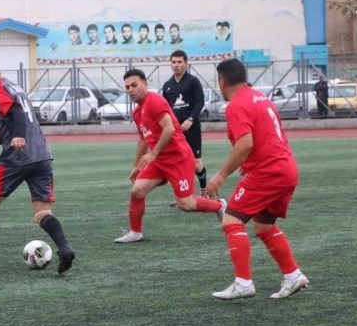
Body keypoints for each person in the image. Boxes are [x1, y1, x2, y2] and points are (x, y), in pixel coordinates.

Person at [0, 55, 76, 274]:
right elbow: (24, 117)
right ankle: (65, 248)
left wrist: (18, 136)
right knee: (42, 212)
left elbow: (17, 113)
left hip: (17, 158)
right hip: (42, 155)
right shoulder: (14, 86)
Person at [205, 59, 308, 300]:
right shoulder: (262, 98)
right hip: (286, 168)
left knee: (231, 219)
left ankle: (243, 283)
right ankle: (293, 276)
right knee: (264, 226)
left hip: (268, 172)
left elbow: (245, 143)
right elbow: (268, 136)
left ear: (222, 81)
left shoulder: (236, 105)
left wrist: (221, 175)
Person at [113, 68, 225, 244]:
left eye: (134, 85)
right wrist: (136, 165)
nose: (131, 90)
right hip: (159, 161)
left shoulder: (155, 101)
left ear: (145, 84)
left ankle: (220, 205)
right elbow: (143, 139)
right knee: (137, 191)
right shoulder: (137, 112)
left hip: (178, 159)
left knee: (186, 204)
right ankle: (135, 233)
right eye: (127, 87)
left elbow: (169, 129)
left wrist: (153, 154)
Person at [160, 50, 208, 198]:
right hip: (175, 130)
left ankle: (204, 191)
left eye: (179, 62)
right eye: (173, 62)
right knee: (177, 163)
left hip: (192, 128)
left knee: (196, 163)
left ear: (186, 63)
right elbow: (165, 108)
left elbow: (200, 101)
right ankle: (182, 195)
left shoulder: (193, 81)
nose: (176, 65)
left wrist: (190, 119)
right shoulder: (167, 85)